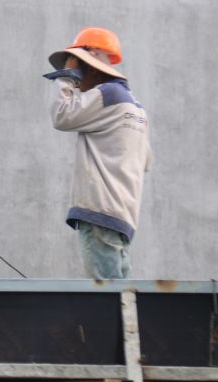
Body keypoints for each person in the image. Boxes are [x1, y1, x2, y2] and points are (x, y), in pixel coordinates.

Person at [44, 27, 151, 279]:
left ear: (91, 67)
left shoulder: (107, 94)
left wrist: (66, 76)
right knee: (121, 295)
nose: (78, 84)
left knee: (106, 296)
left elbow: (61, 116)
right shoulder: (136, 107)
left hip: (100, 211)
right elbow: (145, 161)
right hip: (121, 217)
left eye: (79, 72)